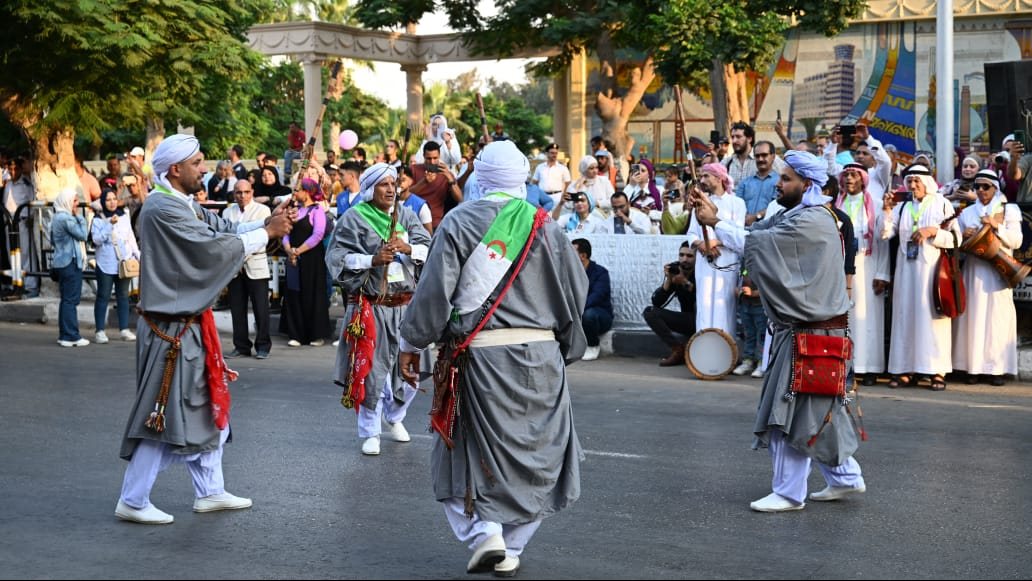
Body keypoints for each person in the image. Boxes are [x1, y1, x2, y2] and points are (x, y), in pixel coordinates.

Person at [398, 140, 587, 578]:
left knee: (463, 451)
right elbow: (575, 299)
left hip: (479, 359)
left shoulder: (460, 222)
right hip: (541, 356)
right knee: (541, 456)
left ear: (479, 178)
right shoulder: (548, 227)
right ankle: (513, 544)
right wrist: (564, 350)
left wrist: (412, 343)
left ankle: (487, 534)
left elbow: (432, 295)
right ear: (524, 179)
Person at [115, 134, 294, 525]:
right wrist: (267, 233)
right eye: (197, 162)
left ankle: (210, 491)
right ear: (175, 169)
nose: (205, 169)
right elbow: (212, 248)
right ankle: (132, 498)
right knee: (161, 411)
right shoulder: (162, 209)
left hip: (189, 326)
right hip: (171, 331)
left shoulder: (181, 203)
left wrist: (266, 220)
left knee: (209, 406)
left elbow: (221, 229)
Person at [692, 150, 865, 513]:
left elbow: (757, 244)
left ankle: (788, 493)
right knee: (817, 411)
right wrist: (715, 215)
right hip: (813, 333)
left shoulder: (812, 221)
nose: (779, 183)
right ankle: (846, 478)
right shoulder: (800, 216)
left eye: (786, 179)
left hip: (809, 335)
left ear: (807, 184)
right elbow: (756, 233)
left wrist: (717, 221)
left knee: (786, 413)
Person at [325, 163, 431, 456]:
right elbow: (337, 257)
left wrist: (409, 250)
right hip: (373, 306)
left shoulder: (407, 216)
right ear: (371, 188)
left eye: (393, 184)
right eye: (383, 184)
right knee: (372, 373)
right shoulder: (354, 219)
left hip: (406, 305)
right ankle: (370, 430)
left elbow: (429, 248)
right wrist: (372, 259)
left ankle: (395, 416)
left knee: (414, 369)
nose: (390, 189)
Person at [881, 165, 960, 391]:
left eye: (917, 181)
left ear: (926, 182)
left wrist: (932, 231)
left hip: (933, 271)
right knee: (906, 317)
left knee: (933, 319)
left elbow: (957, 238)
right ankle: (906, 369)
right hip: (906, 271)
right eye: (909, 181)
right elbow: (886, 233)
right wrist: (886, 210)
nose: (913, 185)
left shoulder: (941, 202)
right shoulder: (903, 205)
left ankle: (936, 371)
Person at [953, 170, 1020, 386]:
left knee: (996, 319)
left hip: (998, 272)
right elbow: (958, 247)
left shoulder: (1008, 210)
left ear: (995, 188)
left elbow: (1016, 241)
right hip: (974, 271)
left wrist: (996, 225)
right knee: (973, 318)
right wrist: (964, 237)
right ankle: (972, 368)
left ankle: (996, 369)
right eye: (977, 187)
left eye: (985, 187)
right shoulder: (967, 213)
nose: (980, 191)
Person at [833, 163, 890, 385]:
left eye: (854, 175)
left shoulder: (874, 204)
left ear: (863, 179)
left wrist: (883, 273)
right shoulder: (837, 206)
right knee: (847, 318)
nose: (849, 179)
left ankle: (870, 367)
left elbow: (883, 240)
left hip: (868, 264)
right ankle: (847, 366)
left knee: (869, 318)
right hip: (843, 266)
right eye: (846, 175)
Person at [223, 180, 273, 359]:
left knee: (261, 309)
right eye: (238, 192)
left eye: (246, 192)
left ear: (252, 192)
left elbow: (264, 238)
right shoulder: (227, 212)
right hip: (235, 268)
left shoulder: (263, 211)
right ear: (234, 194)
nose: (242, 196)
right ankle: (241, 345)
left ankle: (263, 346)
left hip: (256, 265)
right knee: (237, 309)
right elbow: (226, 238)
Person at [280, 178, 332, 347]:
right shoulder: (294, 210)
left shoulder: (317, 211)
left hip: (311, 259)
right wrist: (289, 250)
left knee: (313, 294)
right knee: (294, 293)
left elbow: (317, 235)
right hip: (294, 258)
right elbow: (285, 232)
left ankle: (315, 334)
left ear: (308, 191)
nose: (295, 193)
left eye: (298, 189)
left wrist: (298, 250)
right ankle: (296, 333)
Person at [90, 188, 140, 344]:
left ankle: (124, 329)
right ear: (103, 202)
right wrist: (109, 226)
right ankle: (100, 331)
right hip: (105, 262)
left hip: (123, 261)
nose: (111, 202)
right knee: (103, 296)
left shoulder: (124, 216)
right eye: (108, 200)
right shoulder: (98, 219)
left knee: (123, 296)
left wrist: (137, 256)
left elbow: (130, 237)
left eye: (114, 199)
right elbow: (97, 240)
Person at [643, 241, 696, 366]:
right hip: (687, 319)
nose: (684, 259)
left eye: (689, 256)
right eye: (681, 255)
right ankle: (677, 349)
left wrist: (685, 282)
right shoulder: (677, 271)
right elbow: (657, 302)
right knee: (650, 312)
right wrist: (668, 280)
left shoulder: (703, 272)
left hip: (703, 319)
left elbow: (703, 296)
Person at [50, 189, 89, 347]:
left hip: (62, 262)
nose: (77, 204)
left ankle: (65, 335)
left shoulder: (57, 217)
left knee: (66, 300)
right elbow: (83, 235)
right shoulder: (66, 218)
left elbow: (53, 240)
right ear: (66, 201)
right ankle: (71, 336)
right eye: (74, 201)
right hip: (69, 262)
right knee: (70, 300)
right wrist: (80, 217)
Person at [572, 238, 613, 361]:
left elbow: (596, 296)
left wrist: (576, 308)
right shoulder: (569, 272)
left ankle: (593, 345)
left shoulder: (600, 272)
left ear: (583, 256)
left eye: (572, 252)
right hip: (576, 312)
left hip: (599, 315)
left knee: (588, 315)